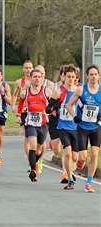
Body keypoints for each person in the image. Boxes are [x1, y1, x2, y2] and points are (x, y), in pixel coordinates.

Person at [67, 64, 101, 193]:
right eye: (91, 74)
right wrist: (75, 116)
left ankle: (88, 182)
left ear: (98, 76)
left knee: (94, 153)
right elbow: (69, 105)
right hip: (82, 127)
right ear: (87, 76)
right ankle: (81, 162)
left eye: (95, 74)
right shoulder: (81, 90)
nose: (93, 76)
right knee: (83, 156)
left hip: (96, 127)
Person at [47, 65, 79, 190]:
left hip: (76, 127)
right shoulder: (59, 91)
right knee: (67, 153)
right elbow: (48, 108)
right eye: (68, 77)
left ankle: (71, 171)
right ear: (64, 77)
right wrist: (53, 106)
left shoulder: (79, 91)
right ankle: (69, 178)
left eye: (73, 77)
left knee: (76, 157)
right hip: (62, 126)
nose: (70, 79)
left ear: (76, 78)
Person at [20, 69, 52, 182]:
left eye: (39, 77)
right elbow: (20, 105)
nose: (37, 79)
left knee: (39, 149)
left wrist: (51, 110)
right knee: (32, 145)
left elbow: (54, 103)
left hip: (43, 123)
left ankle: (35, 162)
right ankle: (33, 169)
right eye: (35, 77)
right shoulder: (25, 92)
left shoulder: (46, 91)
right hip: (31, 123)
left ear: (42, 78)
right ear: (31, 78)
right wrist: (19, 115)